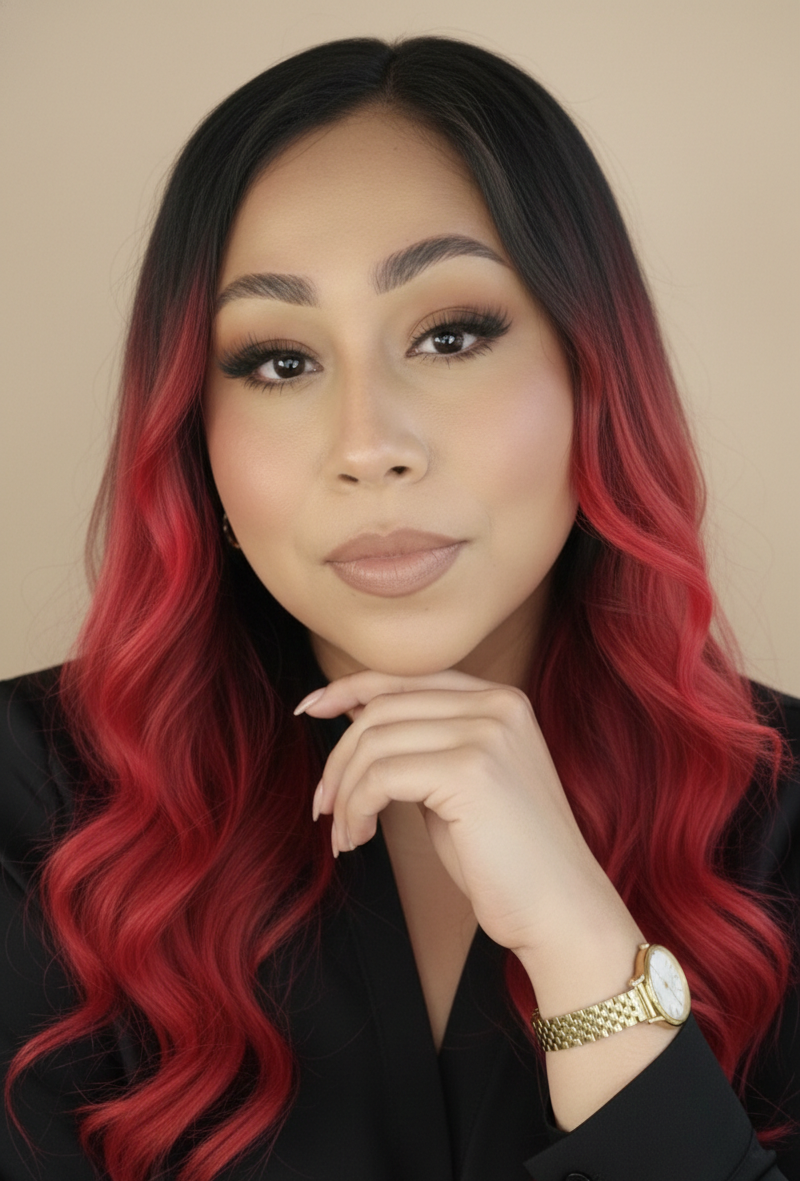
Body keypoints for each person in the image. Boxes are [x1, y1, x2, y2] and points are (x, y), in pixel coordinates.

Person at [1, 34, 798, 1181]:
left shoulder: (777, 820)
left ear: (593, 372)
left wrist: (590, 962)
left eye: (450, 333)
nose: (368, 446)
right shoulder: (30, 814)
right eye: (277, 360)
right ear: (195, 435)